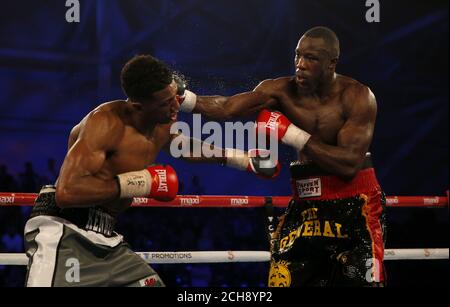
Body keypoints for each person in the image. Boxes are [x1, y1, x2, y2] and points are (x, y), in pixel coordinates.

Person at [23, 55, 280, 287]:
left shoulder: (160, 122)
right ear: (138, 106)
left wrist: (242, 159)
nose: (175, 108)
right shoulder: (104, 123)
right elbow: (66, 193)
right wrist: (139, 183)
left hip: (107, 238)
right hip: (64, 230)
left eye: (175, 99)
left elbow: (183, 145)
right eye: (166, 103)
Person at [177, 26, 386, 287]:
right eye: (297, 56)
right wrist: (183, 98)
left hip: (356, 204)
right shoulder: (279, 91)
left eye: (311, 58)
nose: (300, 64)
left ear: (331, 63)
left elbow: (348, 164)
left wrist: (291, 134)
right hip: (305, 204)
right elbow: (227, 107)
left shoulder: (357, 97)